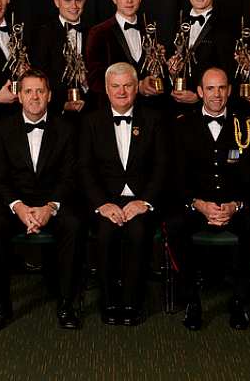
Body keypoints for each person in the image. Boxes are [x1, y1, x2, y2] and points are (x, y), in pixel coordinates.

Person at [0, 68, 85, 330]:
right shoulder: (1, 129)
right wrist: (18, 207)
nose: (34, 97)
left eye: (40, 91)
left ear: (50, 96)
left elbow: (71, 177)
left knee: (73, 225)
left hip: (53, 202)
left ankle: (66, 304)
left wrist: (50, 207)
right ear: (19, 96)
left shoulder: (67, 129)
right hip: (15, 203)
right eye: (28, 91)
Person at [165, 67, 250, 331]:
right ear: (199, 92)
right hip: (197, 205)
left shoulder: (247, 124)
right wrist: (198, 204)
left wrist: (235, 205)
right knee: (174, 226)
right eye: (210, 88)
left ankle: (239, 301)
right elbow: (175, 176)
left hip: (234, 205)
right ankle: (191, 301)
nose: (216, 94)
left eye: (221, 88)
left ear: (230, 90)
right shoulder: (181, 125)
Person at [79, 62, 167, 326]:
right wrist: (102, 204)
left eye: (127, 85)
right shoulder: (90, 122)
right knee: (105, 234)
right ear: (106, 90)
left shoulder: (154, 120)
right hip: (105, 201)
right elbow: (84, 169)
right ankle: (108, 301)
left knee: (138, 232)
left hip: (141, 200)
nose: (121, 91)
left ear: (136, 88)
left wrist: (145, 202)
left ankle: (133, 301)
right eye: (115, 86)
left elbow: (162, 166)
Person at [163, 0, 234, 116]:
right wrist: (171, 74)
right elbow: (166, 66)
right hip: (173, 112)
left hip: (207, 112)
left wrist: (198, 96)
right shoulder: (175, 25)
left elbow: (228, 73)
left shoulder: (226, 28)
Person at [85, 0, 151, 108]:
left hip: (148, 111)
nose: (129, 1)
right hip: (112, 112)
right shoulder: (98, 32)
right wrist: (136, 87)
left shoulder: (151, 31)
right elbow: (94, 79)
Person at [31, 0, 90, 117]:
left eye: (78, 0)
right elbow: (40, 78)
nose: (74, 6)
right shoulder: (42, 34)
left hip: (91, 114)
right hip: (56, 115)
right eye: (68, 0)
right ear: (57, 1)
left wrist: (86, 85)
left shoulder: (95, 32)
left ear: (84, 0)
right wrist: (62, 105)